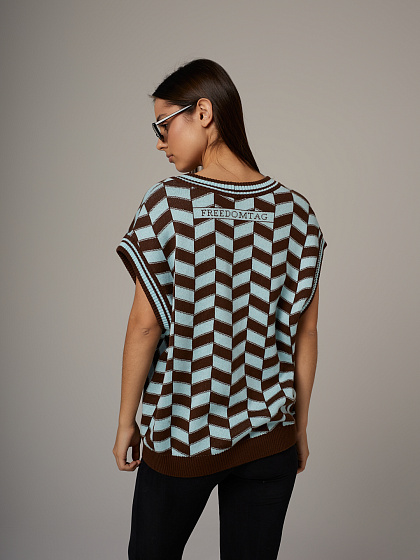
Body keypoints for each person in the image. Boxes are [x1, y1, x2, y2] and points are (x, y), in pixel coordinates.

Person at [112, 58, 327, 560]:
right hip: (270, 437)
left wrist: (127, 421)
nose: (160, 143)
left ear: (203, 113)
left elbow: (144, 326)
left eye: (164, 125)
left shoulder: (168, 205)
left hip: (181, 434)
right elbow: (306, 333)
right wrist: (298, 426)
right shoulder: (297, 213)